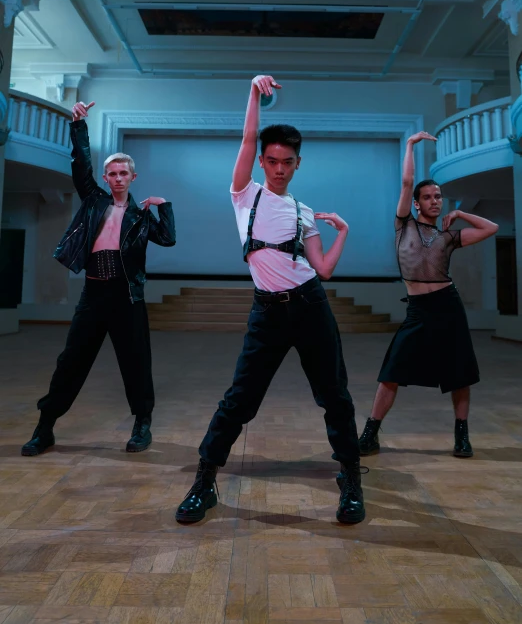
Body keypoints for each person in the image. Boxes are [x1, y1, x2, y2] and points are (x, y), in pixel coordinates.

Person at [175, 74, 365, 525]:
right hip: (267, 312)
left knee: (334, 396)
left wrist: (344, 233)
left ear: (298, 164)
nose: (279, 168)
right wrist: (253, 94)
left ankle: (351, 480)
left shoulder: (302, 211)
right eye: (273, 160)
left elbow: (324, 269)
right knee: (239, 400)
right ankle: (204, 482)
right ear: (262, 161)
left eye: (288, 162)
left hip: (310, 305)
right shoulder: (246, 196)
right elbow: (245, 136)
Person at [21, 100, 176, 457]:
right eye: (113, 174)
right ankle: (45, 428)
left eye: (124, 174)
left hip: (127, 297)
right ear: (106, 178)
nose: (118, 178)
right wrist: (78, 126)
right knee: (71, 361)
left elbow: (167, 239)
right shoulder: (93, 200)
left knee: (136, 361)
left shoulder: (141, 217)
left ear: (132, 178)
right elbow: (80, 165)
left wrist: (164, 206)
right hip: (93, 294)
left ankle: (142, 425)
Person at [358, 131, 498, 459]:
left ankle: (461, 435)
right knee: (391, 371)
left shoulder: (449, 237)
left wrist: (461, 214)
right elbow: (407, 182)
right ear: (417, 203)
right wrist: (409, 145)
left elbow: (490, 228)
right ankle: (370, 433)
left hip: (448, 306)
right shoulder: (403, 226)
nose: (435, 201)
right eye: (429, 197)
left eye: (439, 197)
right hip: (419, 310)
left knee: (459, 373)